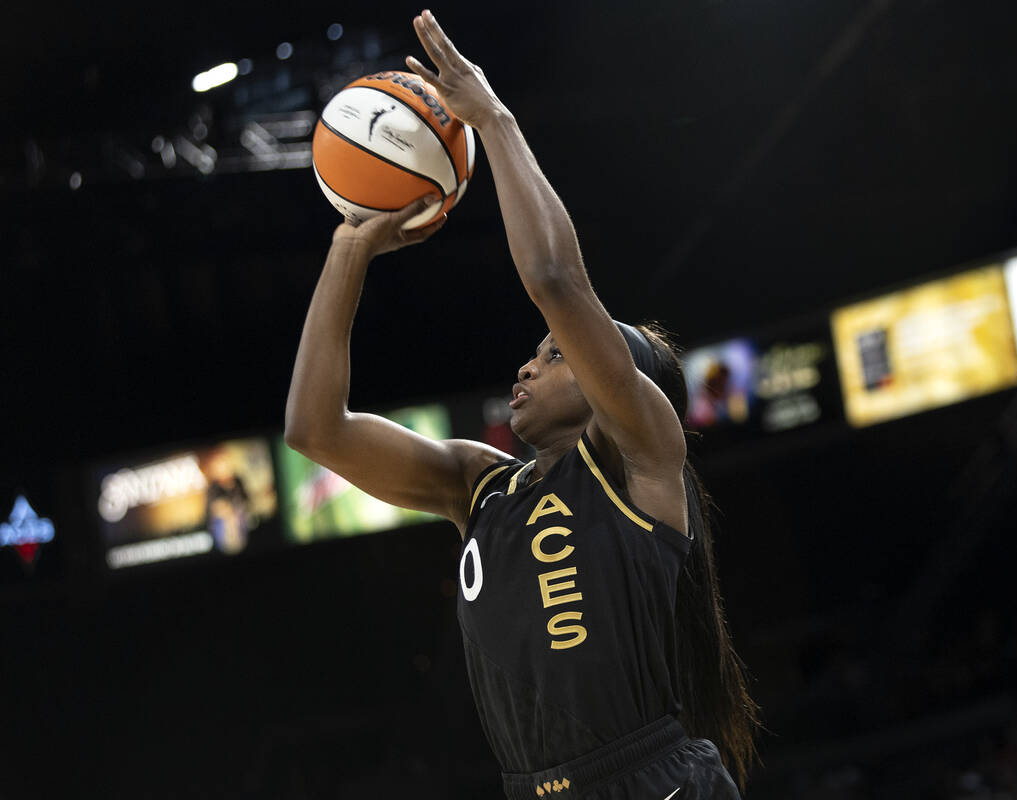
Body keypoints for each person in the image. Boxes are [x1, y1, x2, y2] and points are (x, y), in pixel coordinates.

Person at [285, 10, 759, 798]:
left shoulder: (640, 454)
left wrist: (492, 119)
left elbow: (554, 280)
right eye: (536, 351)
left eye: (554, 353)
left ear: (615, 381)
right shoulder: (480, 486)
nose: (526, 366)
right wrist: (349, 248)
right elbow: (313, 429)